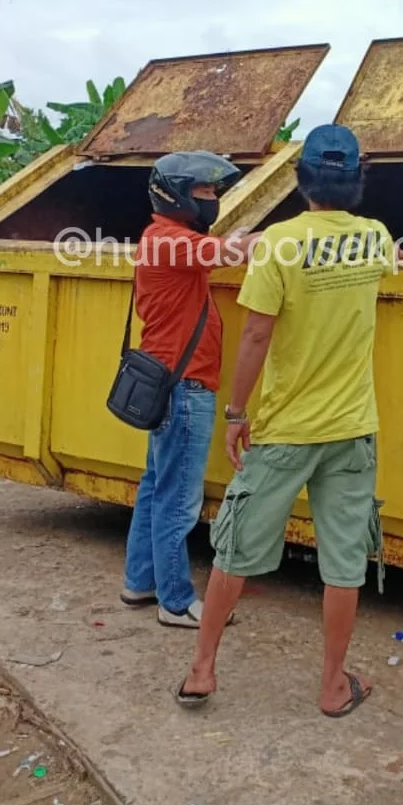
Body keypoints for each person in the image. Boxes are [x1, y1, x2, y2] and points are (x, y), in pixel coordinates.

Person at [175, 124, 397, 716]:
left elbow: (255, 333)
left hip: (283, 429)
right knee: (344, 561)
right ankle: (331, 686)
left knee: (235, 549)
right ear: (356, 181)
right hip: (352, 428)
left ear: (302, 183)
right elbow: (390, 265)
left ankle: (202, 669)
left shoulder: (278, 244)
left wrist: (236, 414)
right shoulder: (376, 238)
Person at [121, 151, 260, 629]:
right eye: (205, 192)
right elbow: (236, 252)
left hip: (171, 381)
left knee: (155, 487)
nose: (213, 199)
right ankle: (175, 601)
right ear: (177, 194)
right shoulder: (168, 240)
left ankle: (140, 581)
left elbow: (222, 249)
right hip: (185, 386)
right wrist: (300, 234)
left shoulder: (171, 239)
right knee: (178, 498)